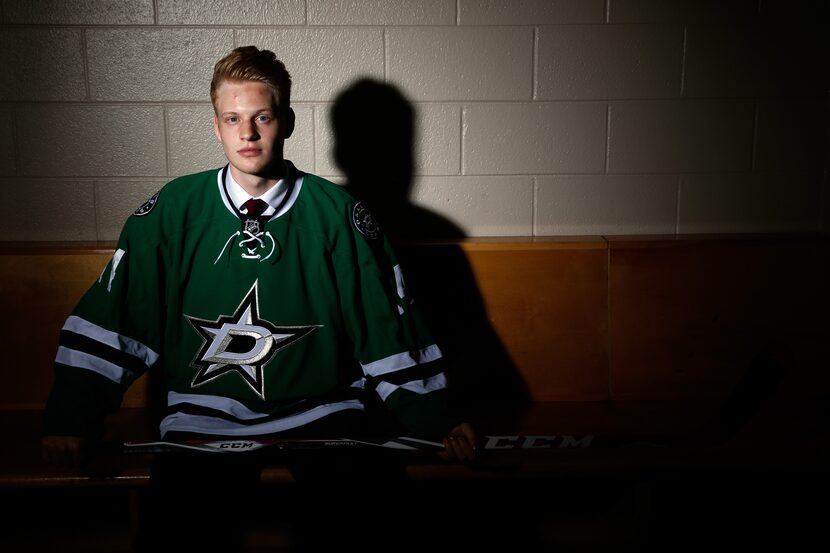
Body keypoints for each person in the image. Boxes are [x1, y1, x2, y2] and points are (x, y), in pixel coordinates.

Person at [40, 45, 477, 551]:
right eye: (233, 118)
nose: (247, 133)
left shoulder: (337, 215)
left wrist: (437, 417)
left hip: (324, 416)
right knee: (173, 538)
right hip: (203, 417)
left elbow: (385, 329)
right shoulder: (171, 213)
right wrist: (71, 418)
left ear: (286, 121)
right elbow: (115, 321)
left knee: (373, 530)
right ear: (216, 126)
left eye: (262, 117)